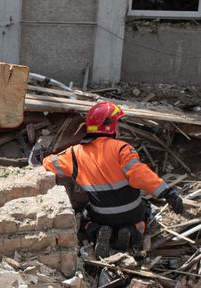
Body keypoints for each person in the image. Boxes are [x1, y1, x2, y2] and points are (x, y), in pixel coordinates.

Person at [38, 101, 184, 257]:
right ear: (111, 126)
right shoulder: (122, 148)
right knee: (147, 208)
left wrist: (41, 157)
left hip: (102, 216)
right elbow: (141, 174)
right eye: (118, 123)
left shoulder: (74, 154)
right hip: (132, 212)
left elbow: (49, 164)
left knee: (83, 217)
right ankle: (134, 230)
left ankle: (96, 230)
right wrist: (168, 193)